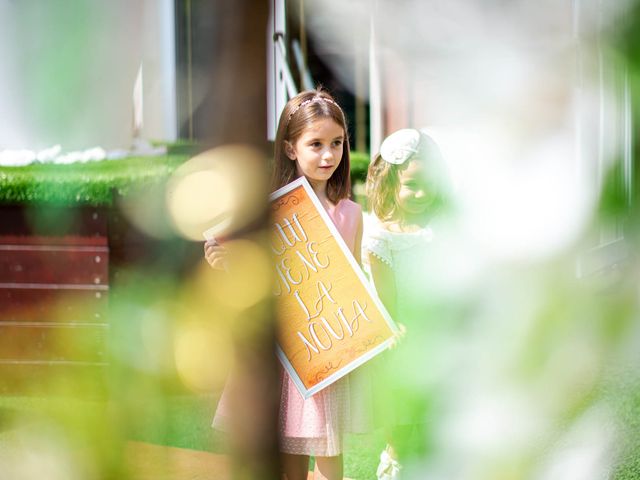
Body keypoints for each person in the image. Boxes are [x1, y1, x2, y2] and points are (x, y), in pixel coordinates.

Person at [205, 89, 368, 480]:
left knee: (330, 462)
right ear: (291, 148)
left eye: (337, 144)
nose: (329, 156)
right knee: (286, 464)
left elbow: (355, 282)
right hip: (280, 354)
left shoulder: (349, 214)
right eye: (316, 144)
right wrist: (223, 263)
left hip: (325, 352)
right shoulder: (270, 210)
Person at [363, 128, 450, 479]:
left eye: (428, 183)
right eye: (411, 185)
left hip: (438, 332)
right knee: (401, 420)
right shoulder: (382, 236)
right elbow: (386, 298)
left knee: (437, 422)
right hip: (400, 334)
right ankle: (394, 465)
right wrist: (398, 326)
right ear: (390, 182)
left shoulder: (439, 227)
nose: (422, 193)